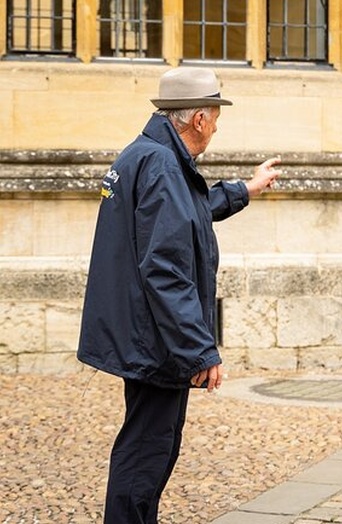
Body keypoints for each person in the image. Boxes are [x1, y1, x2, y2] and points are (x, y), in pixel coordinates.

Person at [77, 67, 281, 523]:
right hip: (156, 339)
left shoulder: (147, 155)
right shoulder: (163, 164)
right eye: (215, 116)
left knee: (153, 446)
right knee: (147, 451)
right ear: (199, 121)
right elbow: (165, 270)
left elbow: (188, 212)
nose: (216, 126)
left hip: (148, 332)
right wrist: (200, 351)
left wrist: (245, 189)